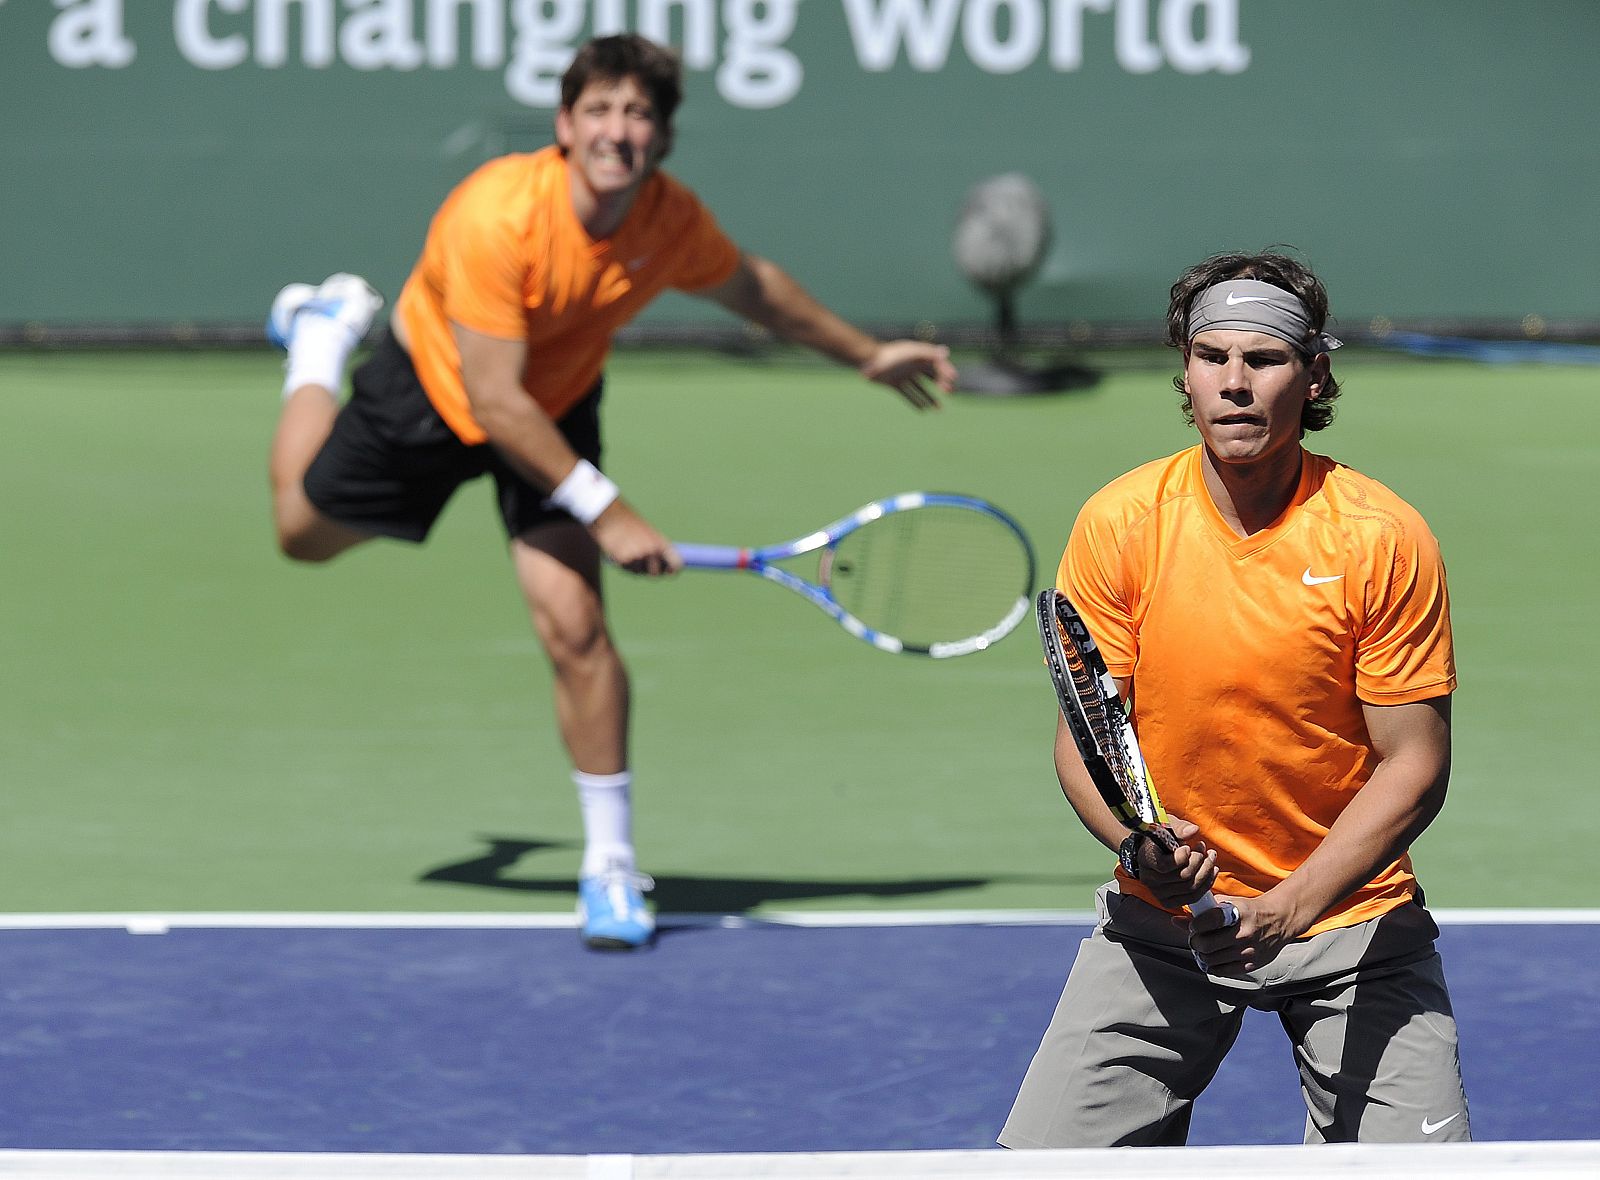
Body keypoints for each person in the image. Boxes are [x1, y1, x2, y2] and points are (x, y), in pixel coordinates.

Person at [264, 34, 956, 951]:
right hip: (436, 388)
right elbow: (493, 400)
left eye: (638, 115)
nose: (617, 131)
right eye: (599, 110)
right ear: (564, 124)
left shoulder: (668, 220)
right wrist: (611, 511)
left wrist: (866, 354)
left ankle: (612, 865)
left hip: (552, 406)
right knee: (301, 532)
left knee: (577, 630)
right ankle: (318, 338)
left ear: (662, 137)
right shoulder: (497, 215)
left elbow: (755, 288)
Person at [999, 251, 1469, 1146]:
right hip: (1162, 927)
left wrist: (1293, 904)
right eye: (1213, 357)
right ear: (1185, 371)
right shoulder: (1123, 524)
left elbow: (1417, 764)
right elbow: (1088, 739)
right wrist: (1139, 847)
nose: (1236, 384)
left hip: (1351, 919)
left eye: (1265, 360)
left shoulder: (1381, 538)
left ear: (1314, 374)